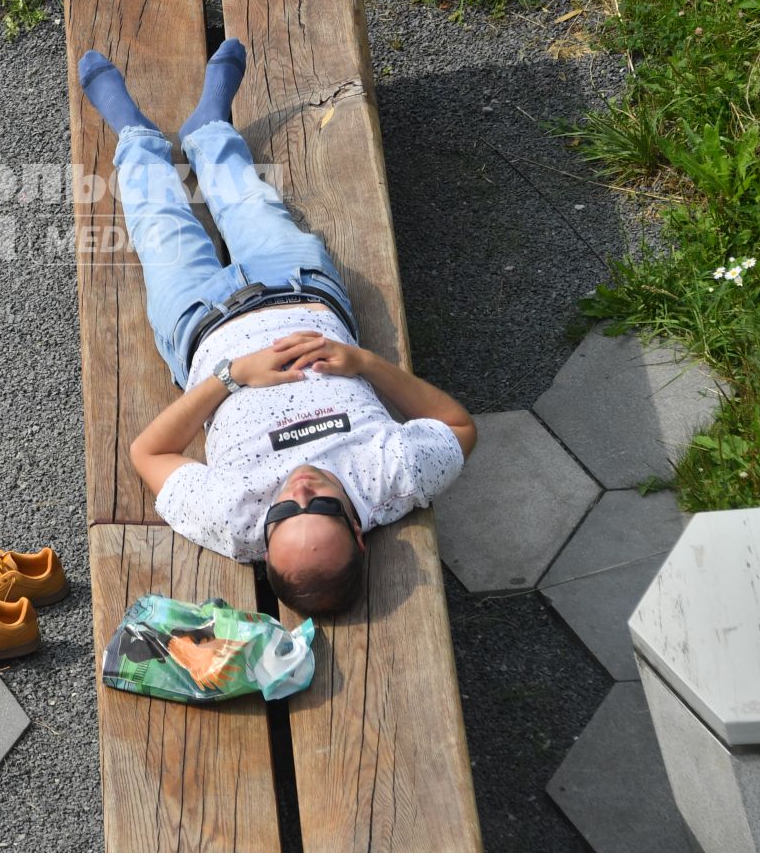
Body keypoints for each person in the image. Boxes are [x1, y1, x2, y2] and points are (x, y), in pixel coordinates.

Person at [77, 39, 477, 616]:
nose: (301, 493)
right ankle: (208, 127)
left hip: (200, 327)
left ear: (264, 542)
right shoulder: (391, 481)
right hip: (299, 289)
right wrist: (364, 364)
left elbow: (148, 453)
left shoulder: (235, 521)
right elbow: (458, 426)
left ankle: (136, 138)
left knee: (158, 225)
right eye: (323, 510)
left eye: (285, 516)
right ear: (360, 532)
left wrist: (232, 377)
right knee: (251, 204)